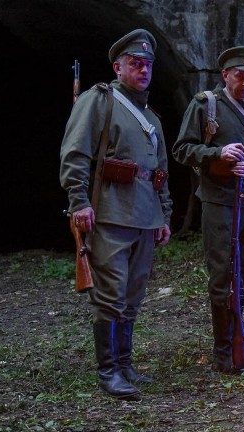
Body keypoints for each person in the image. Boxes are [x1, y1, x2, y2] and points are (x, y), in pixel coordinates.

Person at [60, 28, 173, 401]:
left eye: (147, 65)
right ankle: (108, 371)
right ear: (118, 67)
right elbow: (75, 153)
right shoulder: (101, 100)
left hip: (145, 216)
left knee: (133, 296)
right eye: (135, 64)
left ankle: (124, 365)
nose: (143, 70)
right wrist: (79, 201)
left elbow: (160, 173)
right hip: (110, 212)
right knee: (110, 294)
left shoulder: (150, 118)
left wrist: (165, 215)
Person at [172, 46, 244, 374]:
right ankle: (223, 350)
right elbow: (182, 149)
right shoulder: (206, 104)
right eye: (239, 76)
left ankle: (237, 337)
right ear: (225, 75)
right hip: (219, 204)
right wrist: (217, 154)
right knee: (222, 275)